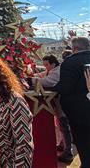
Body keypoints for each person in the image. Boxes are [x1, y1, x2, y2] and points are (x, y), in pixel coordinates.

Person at [31, 55, 73, 163]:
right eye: (44, 65)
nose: (45, 67)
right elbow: (42, 75)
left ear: (53, 64)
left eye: (46, 65)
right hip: (59, 104)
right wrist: (33, 75)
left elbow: (46, 81)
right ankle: (63, 145)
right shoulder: (52, 70)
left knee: (65, 127)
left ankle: (68, 152)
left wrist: (30, 79)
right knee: (61, 126)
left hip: (62, 104)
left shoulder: (57, 71)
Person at [58, 36, 90, 168]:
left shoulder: (70, 62)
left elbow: (65, 88)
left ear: (74, 49)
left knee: (84, 144)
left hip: (79, 114)